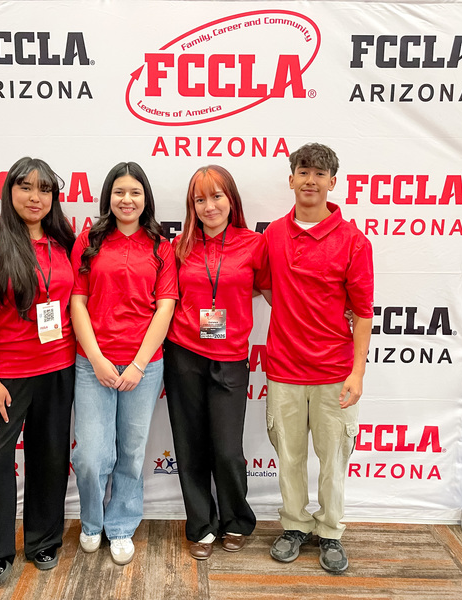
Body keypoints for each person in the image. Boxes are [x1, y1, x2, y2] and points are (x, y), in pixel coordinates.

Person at [0, 156, 76, 583]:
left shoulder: (63, 243)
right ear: (10, 191)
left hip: (58, 368)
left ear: (53, 198)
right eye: (26, 187)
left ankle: (43, 539)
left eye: (44, 189)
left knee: (49, 457)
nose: (35, 197)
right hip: (5, 375)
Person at [259, 143, 373, 574]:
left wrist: (357, 372)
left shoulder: (354, 242)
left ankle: (330, 533)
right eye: (303, 172)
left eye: (319, 174)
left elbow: (363, 314)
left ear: (332, 183)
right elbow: (268, 288)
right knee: (287, 457)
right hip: (285, 370)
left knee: (332, 462)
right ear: (291, 179)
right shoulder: (272, 235)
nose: (310, 180)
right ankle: (293, 526)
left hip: (334, 373)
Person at [70, 162, 177, 565]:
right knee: (91, 454)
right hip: (92, 364)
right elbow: (77, 302)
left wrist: (137, 364)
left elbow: (165, 308)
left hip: (143, 367)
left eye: (135, 192)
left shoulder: (161, 247)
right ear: (108, 197)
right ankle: (92, 522)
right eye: (119, 192)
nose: (126, 199)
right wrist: (96, 358)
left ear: (145, 197)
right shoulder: (89, 241)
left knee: (130, 452)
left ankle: (120, 525)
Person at [164, 165, 264, 559]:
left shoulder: (254, 244)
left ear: (231, 200)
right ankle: (201, 526)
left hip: (231, 358)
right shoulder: (179, 247)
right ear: (192, 206)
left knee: (226, 449)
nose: (209, 206)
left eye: (217, 196)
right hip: (183, 353)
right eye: (200, 199)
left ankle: (236, 520)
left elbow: (276, 290)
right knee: (189, 446)